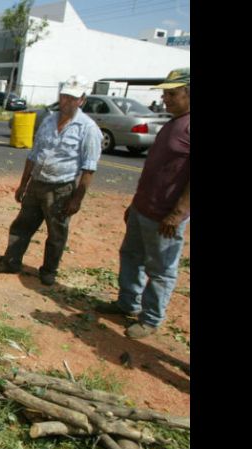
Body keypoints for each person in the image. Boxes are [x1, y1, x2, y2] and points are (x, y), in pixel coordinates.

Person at [95, 68, 190, 339]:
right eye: (165, 93)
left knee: (160, 270)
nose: (165, 99)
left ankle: (150, 319)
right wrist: (135, 204)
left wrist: (177, 213)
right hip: (143, 208)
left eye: (172, 94)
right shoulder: (174, 122)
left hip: (165, 216)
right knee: (131, 256)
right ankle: (127, 303)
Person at [0, 75, 102, 286]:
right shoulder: (49, 121)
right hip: (37, 184)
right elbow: (33, 155)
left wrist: (76, 199)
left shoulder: (88, 128)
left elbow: (89, 169)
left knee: (57, 233)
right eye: (64, 96)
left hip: (61, 189)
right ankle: (11, 262)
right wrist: (23, 184)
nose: (67, 101)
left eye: (72, 98)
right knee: (22, 226)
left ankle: (49, 271)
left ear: (82, 100)